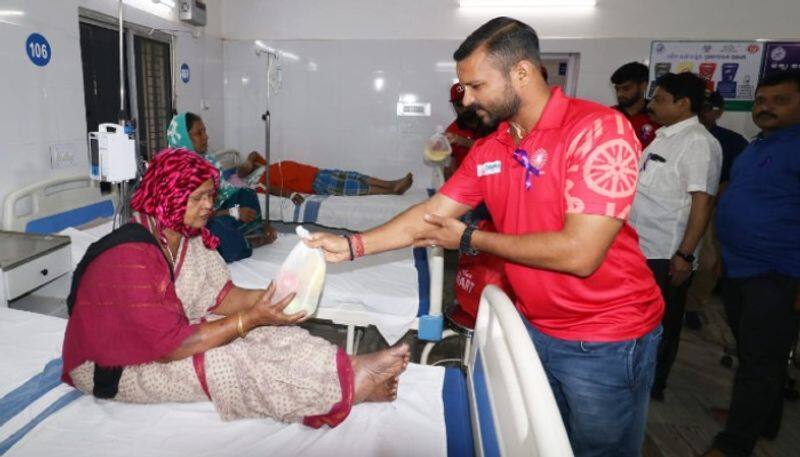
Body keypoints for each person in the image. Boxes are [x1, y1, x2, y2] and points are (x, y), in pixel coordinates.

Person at [307, 17, 664, 456]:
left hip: (606, 335)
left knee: (599, 449)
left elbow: (580, 253)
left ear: (522, 73)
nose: (467, 98)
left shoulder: (595, 130)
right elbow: (431, 216)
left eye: (475, 85)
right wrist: (351, 246)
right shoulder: (492, 148)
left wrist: (471, 239)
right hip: (534, 324)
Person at [61, 147, 410, 428]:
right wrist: (249, 320)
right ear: (169, 195)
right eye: (198, 197)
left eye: (210, 196)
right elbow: (168, 347)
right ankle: (347, 387)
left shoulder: (187, 238)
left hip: (172, 336)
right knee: (232, 357)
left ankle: (347, 367)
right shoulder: (130, 256)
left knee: (271, 335)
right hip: (115, 367)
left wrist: (271, 301)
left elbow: (223, 296)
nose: (210, 206)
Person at [703, 71, 800, 457]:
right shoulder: (759, 145)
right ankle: (762, 420)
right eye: (761, 100)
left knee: (760, 359)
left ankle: (734, 445)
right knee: (757, 354)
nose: (765, 107)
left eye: (780, 100)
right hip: (741, 267)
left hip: (777, 272)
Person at [628, 72, 722, 401]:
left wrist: (684, 254)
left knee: (661, 323)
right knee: (639, 320)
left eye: (661, 99)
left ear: (683, 104)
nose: (652, 104)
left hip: (665, 252)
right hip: (640, 246)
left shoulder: (699, 142)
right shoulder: (664, 136)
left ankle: (653, 386)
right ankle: (634, 376)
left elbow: (703, 201)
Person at [167, 112, 276, 262]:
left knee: (246, 194)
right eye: (199, 133)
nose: (206, 137)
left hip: (216, 212)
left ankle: (253, 232)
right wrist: (233, 212)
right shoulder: (177, 172)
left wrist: (258, 222)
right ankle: (247, 241)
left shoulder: (206, 161)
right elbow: (191, 216)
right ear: (184, 138)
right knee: (217, 230)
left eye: (204, 131)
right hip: (198, 222)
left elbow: (221, 197)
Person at [685, 91, 750, 329]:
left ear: (719, 111)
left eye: (708, 108)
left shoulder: (732, 141)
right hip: (679, 205)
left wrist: (723, 188)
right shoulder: (680, 136)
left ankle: (692, 305)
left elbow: (742, 176)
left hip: (713, 209)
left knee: (708, 262)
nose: (703, 113)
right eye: (699, 107)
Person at [235, 153, 413, 207]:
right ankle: (390, 190)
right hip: (312, 184)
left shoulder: (260, 165)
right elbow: (274, 191)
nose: (245, 166)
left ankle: (390, 183)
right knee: (352, 186)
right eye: (241, 170)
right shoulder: (256, 185)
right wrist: (291, 195)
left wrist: (249, 162)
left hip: (315, 172)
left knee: (354, 175)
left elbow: (252, 155)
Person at [443, 83, 494, 178]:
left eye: (466, 101)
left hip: (494, 181)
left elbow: (495, 151)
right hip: (468, 186)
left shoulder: (492, 122)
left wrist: (463, 141)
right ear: (453, 106)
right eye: (459, 104)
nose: (465, 107)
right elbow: (451, 168)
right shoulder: (452, 131)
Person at [611, 61, 661, 148]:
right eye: (617, 89)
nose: (620, 94)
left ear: (643, 86)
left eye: (626, 88)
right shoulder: (609, 115)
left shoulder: (658, 116)